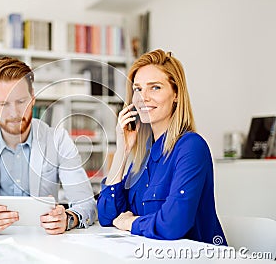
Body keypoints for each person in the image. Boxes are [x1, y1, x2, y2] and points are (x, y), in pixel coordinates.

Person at [0, 57, 96, 235]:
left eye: (21, 102)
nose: (14, 113)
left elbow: (87, 205)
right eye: (3, 104)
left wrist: (69, 218)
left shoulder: (59, 140)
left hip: (47, 243)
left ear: (32, 98)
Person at [97, 49, 227, 245]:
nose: (143, 97)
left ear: (176, 94)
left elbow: (174, 224)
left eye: (155, 87)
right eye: (138, 89)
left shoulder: (191, 147)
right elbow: (107, 215)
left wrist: (131, 222)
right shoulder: (144, 156)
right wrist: (122, 151)